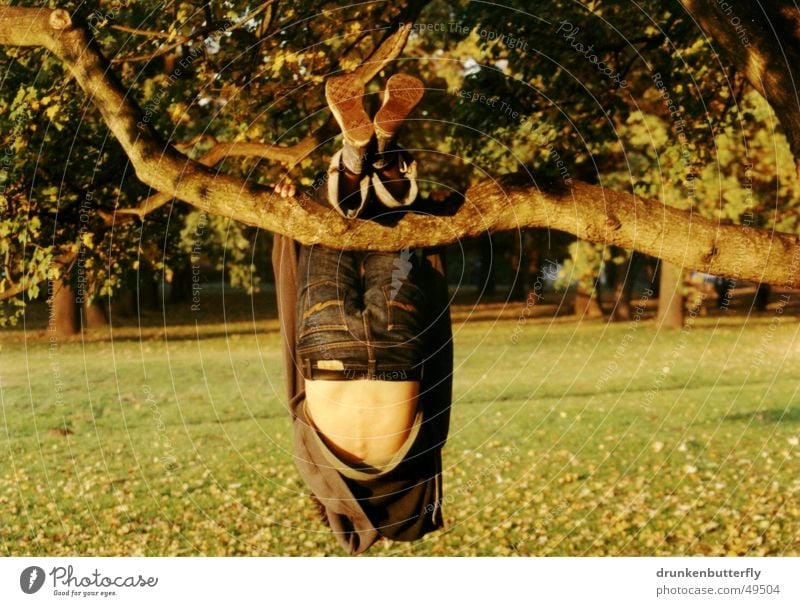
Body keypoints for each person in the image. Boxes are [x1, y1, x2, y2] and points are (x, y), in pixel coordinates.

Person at [271, 72, 454, 554]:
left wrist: (430, 244)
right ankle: (356, 156)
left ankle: (383, 151)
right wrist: (290, 228)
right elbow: (294, 386)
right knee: (329, 228)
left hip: (399, 351)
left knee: (391, 230)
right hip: (327, 351)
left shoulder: (416, 471)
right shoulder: (316, 469)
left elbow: (437, 390)